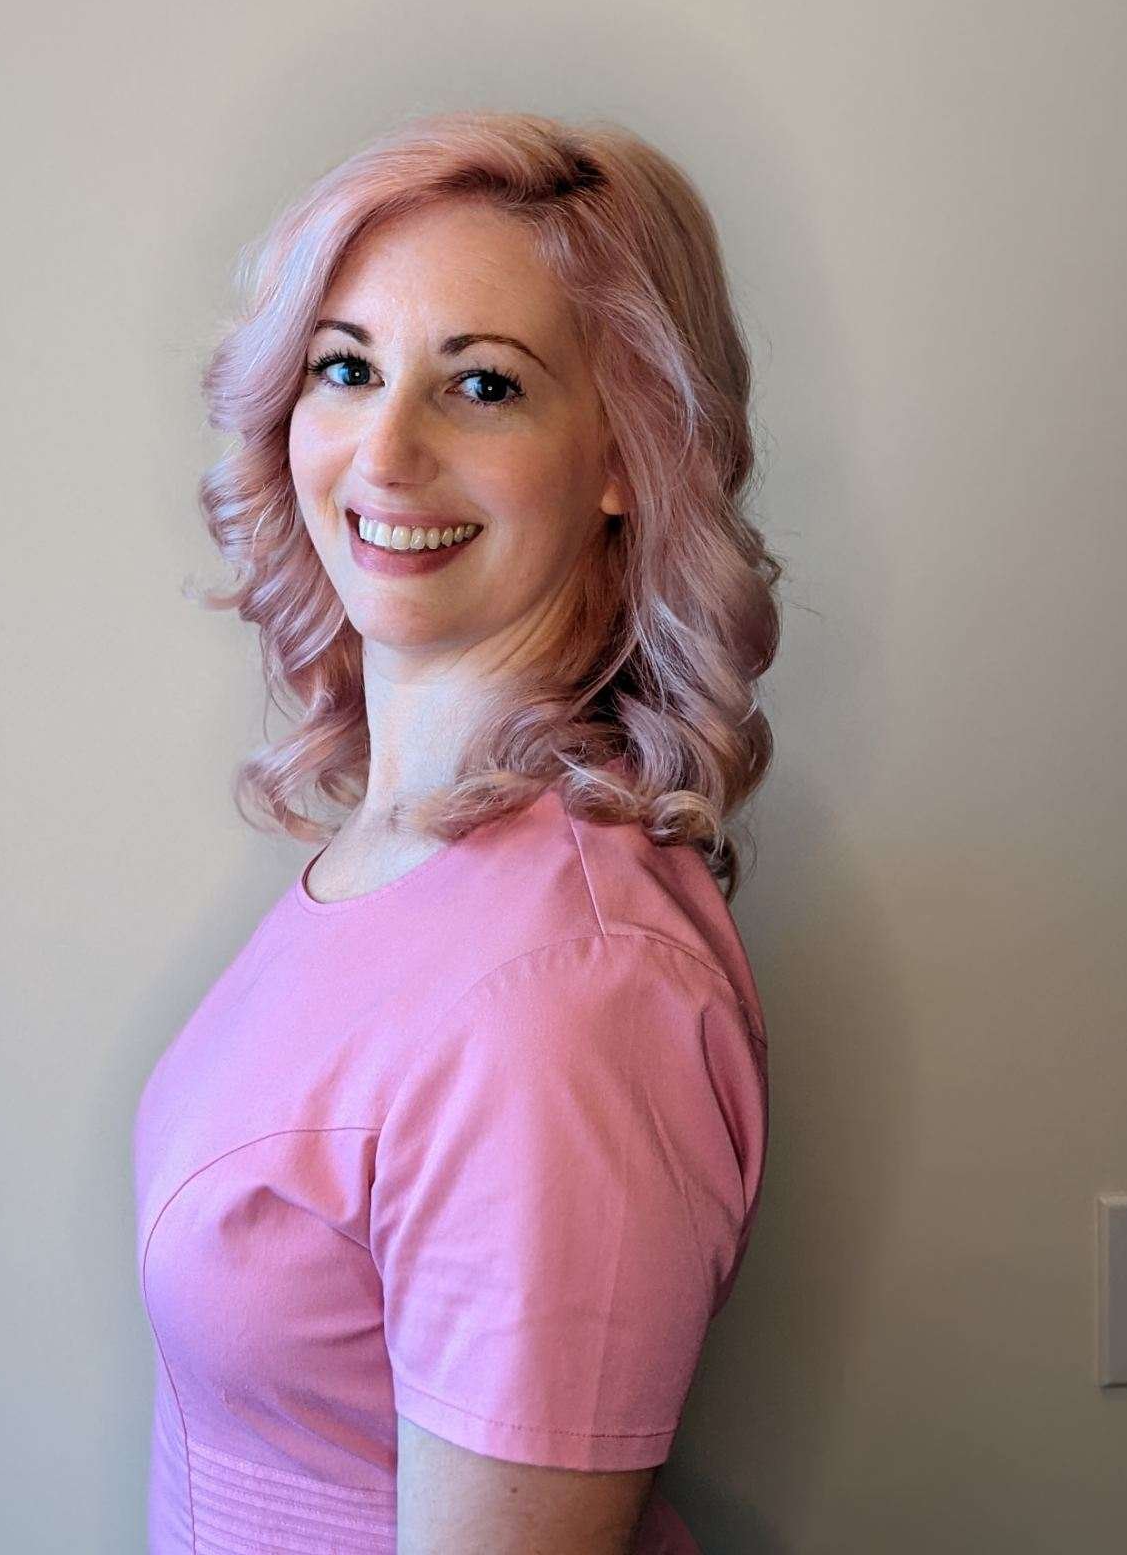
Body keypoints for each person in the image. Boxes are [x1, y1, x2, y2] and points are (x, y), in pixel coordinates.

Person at [134, 110, 782, 1553]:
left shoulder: (575, 991)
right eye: (345, 368)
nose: (385, 449)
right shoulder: (398, 864)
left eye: (481, 385)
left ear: (622, 451)